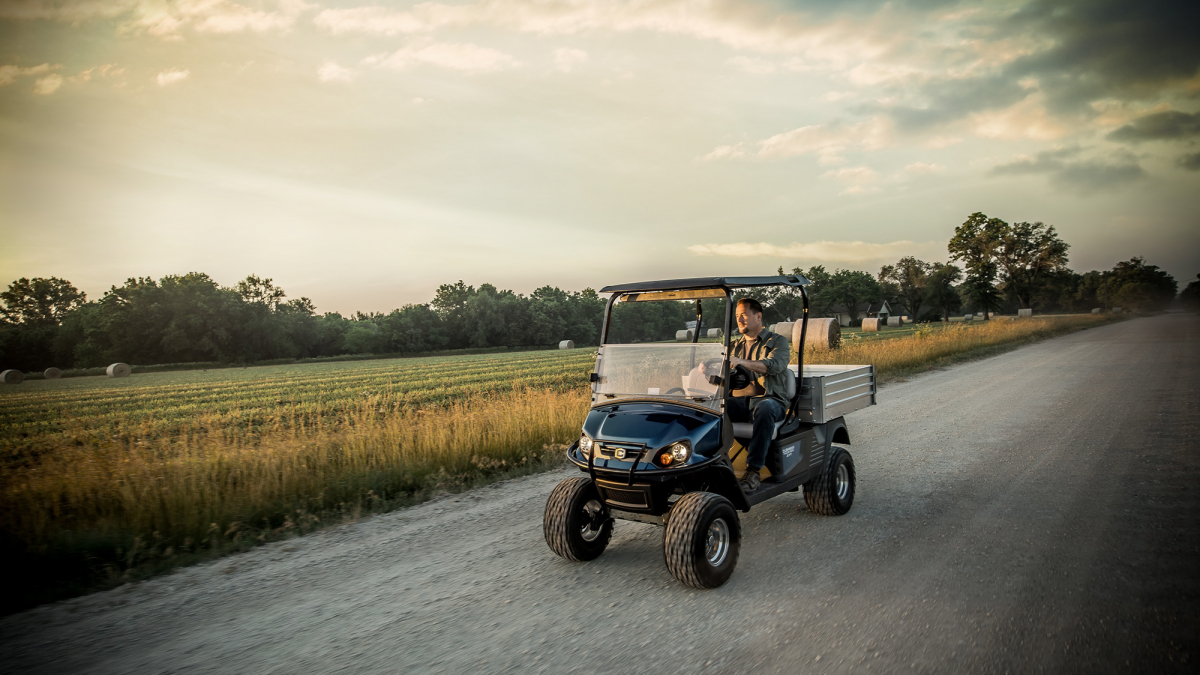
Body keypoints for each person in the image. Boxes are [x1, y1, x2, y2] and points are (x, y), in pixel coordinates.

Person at [727, 297, 790, 492]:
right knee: (709, 409)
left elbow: (772, 366)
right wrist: (706, 368)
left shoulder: (777, 341)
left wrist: (741, 362)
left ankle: (753, 470)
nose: (740, 320)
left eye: (744, 315)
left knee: (765, 407)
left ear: (758, 316)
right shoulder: (733, 345)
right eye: (737, 316)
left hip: (770, 401)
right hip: (741, 402)